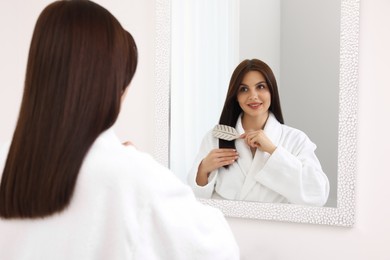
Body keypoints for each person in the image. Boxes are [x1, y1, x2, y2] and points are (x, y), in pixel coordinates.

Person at [0, 1, 239, 259]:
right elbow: (221, 250)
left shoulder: (6, 164)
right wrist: (132, 164)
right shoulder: (133, 179)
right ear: (112, 87)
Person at [187, 59, 329, 206]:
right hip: (225, 226)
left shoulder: (296, 140)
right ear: (236, 96)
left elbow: (317, 195)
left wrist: (273, 151)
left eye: (260, 87)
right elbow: (193, 202)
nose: (253, 96)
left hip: (274, 228)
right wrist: (203, 170)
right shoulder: (214, 138)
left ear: (272, 91)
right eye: (244, 89)